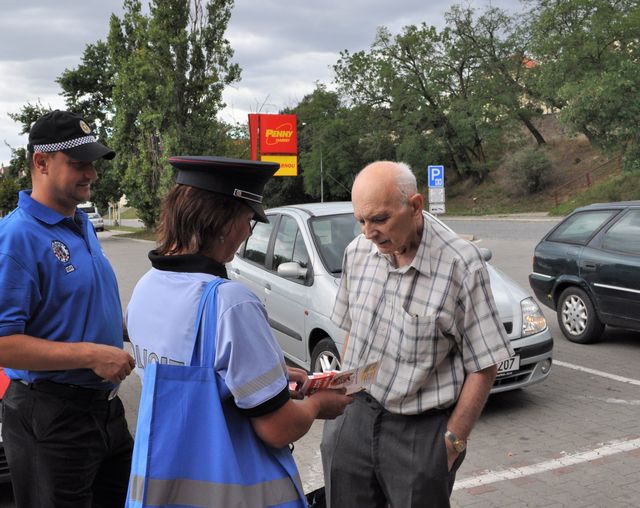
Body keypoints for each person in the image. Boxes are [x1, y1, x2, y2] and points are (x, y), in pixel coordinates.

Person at [125, 155, 353, 504]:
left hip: (167, 487)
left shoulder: (146, 287)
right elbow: (278, 428)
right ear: (223, 221)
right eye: (249, 220)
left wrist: (273, 372)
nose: (248, 233)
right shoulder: (230, 303)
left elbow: (195, 373)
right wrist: (319, 404)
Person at [320, 160, 515, 508]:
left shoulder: (461, 265)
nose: (368, 233)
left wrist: (451, 443)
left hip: (419, 431)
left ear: (415, 206)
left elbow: (484, 365)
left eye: (379, 219)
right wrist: (342, 408)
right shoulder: (358, 252)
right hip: (355, 413)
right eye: (360, 221)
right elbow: (353, 330)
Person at [0, 110, 136, 507]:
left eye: (92, 163)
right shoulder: (17, 238)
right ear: (41, 162)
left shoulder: (79, 222)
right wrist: (90, 355)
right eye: (78, 163)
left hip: (104, 413)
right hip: (52, 415)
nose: (91, 173)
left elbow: (78, 307)